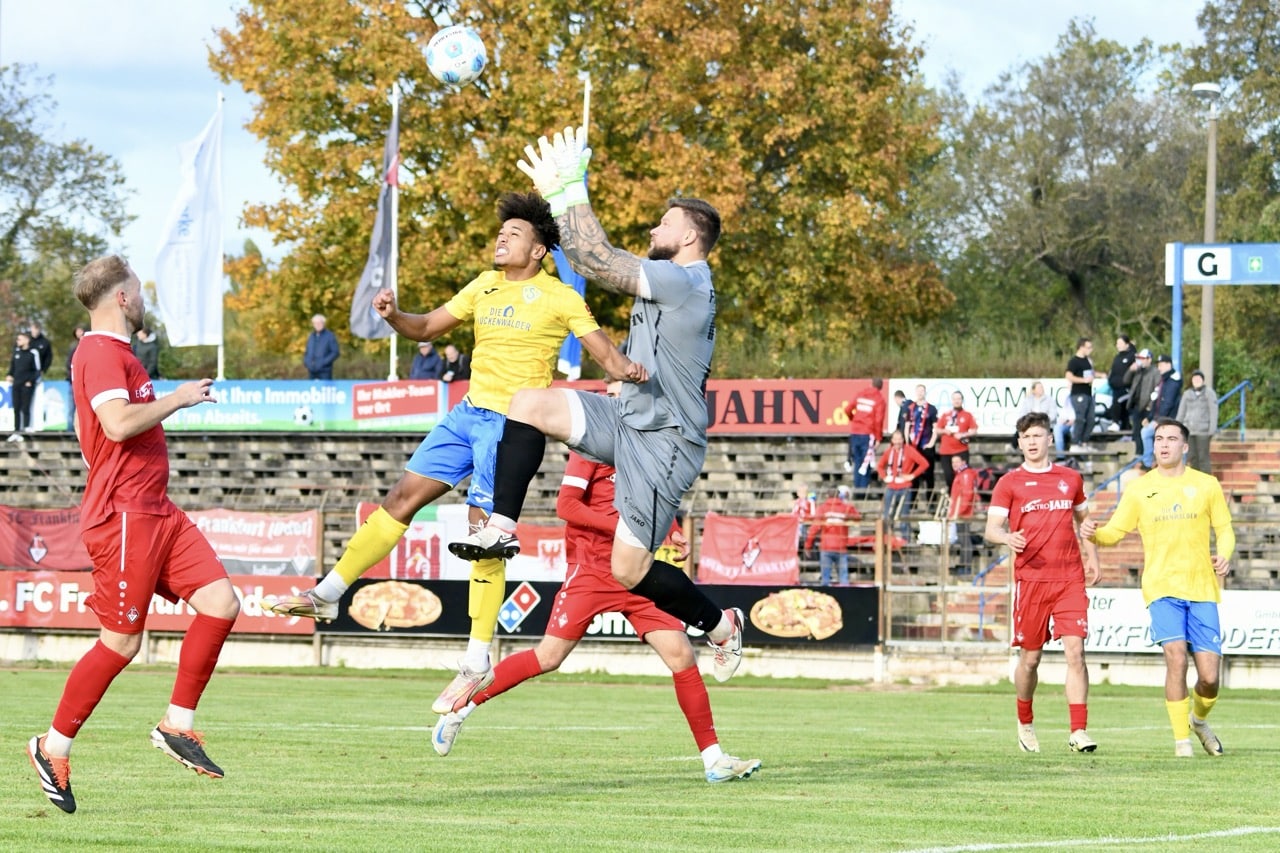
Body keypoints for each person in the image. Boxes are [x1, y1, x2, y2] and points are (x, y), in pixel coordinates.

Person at [266, 192, 643, 714]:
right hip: (466, 414)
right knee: (400, 498)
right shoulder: (483, 285)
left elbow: (604, 353)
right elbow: (425, 327)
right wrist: (395, 315)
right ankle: (329, 593)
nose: (502, 238)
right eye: (501, 232)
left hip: (511, 428)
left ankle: (476, 656)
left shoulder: (560, 297)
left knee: (482, 535)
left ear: (538, 251)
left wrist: (634, 373)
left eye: (514, 234)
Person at [451, 127, 746, 690]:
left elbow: (594, 258)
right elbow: (591, 256)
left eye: (665, 222)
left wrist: (568, 192)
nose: (654, 228)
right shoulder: (670, 278)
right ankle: (501, 528)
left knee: (628, 570)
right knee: (529, 402)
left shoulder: (686, 281)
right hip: (628, 420)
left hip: (666, 441)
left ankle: (720, 624)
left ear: (689, 237)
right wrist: (563, 197)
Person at [26, 254, 240, 814]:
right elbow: (116, 424)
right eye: (139, 291)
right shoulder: (97, 351)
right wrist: (178, 398)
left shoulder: (115, 355)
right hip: (124, 515)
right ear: (121, 297)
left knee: (221, 602)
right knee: (121, 642)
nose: (144, 300)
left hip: (155, 509)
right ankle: (52, 747)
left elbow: (90, 427)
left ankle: (177, 725)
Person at [431, 438, 761, 784]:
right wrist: (621, 530)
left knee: (681, 655)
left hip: (636, 571)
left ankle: (714, 760)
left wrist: (673, 530)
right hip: (590, 570)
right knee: (549, 657)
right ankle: (460, 710)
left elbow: (649, 499)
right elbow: (567, 506)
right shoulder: (591, 448)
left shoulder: (643, 448)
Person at [1082, 418, 1234, 758]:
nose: (1163, 444)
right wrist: (1093, 532)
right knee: (1176, 658)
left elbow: (1225, 529)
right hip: (1161, 587)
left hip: (1202, 589)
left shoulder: (1206, 485)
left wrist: (1223, 555)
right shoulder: (1139, 488)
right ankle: (1182, 743)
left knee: (1209, 679)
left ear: (1184, 447)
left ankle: (1199, 720)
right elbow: (1114, 533)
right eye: (1158, 438)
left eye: (1171, 439)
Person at [985, 411, 1100, 754]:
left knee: (1075, 653)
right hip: (1032, 580)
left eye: (1038, 435)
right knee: (1030, 660)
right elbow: (991, 529)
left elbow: (1085, 521)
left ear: (1050, 438)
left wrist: (1093, 557)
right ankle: (1025, 720)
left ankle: (1078, 731)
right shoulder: (1009, 483)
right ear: (1019, 443)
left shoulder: (1070, 478)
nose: (1032, 442)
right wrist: (1007, 538)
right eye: (1026, 437)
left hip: (1069, 579)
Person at [805, 484, 860, 585]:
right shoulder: (846, 508)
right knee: (843, 578)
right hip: (841, 547)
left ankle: (826, 599)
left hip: (826, 547)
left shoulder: (822, 508)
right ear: (839, 495)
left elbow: (814, 528)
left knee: (825, 579)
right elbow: (857, 517)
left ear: (827, 496)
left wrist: (808, 545)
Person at [877, 429, 926, 539]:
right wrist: (885, 477)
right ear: (892, 440)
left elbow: (924, 463)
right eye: (895, 439)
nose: (898, 442)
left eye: (900, 439)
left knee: (904, 516)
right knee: (887, 515)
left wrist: (912, 475)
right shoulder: (889, 451)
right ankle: (887, 540)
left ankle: (906, 541)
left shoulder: (909, 450)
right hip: (891, 487)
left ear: (903, 440)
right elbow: (880, 466)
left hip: (905, 487)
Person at [842, 378, 886, 488]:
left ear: (871, 384)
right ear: (881, 387)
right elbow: (878, 420)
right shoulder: (879, 400)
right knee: (866, 461)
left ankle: (857, 488)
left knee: (857, 461)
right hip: (867, 433)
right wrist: (878, 438)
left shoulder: (860, 394)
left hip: (855, 432)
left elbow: (847, 409)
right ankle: (863, 489)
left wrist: (853, 419)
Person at [1139, 355, 1182, 469]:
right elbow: (1156, 401)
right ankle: (1151, 461)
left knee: (1146, 433)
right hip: (1159, 418)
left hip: (1168, 420)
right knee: (1146, 432)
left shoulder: (1172, 381)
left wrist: (1159, 420)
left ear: (1168, 365)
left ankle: (1148, 462)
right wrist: (1149, 417)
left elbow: (1167, 403)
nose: (1159, 368)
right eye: (1158, 365)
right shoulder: (1163, 380)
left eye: (1161, 365)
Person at [1176, 370, 1218, 474]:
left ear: (1203, 380)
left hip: (1203, 431)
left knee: (1203, 457)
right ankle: (1195, 480)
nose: (1197, 381)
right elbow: (1181, 412)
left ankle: (1206, 480)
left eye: (1199, 378)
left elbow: (1213, 412)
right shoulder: (1187, 394)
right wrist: (1176, 428)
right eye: (1194, 379)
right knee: (1192, 457)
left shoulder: (1209, 393)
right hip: (1189, 431)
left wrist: (1212, 430)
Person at [935, 390, 978, 492]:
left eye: (959, 399)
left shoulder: (967, 415)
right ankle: (952, 497)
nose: (957, 401)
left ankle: (962, 497)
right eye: (955, 399)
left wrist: (963, 434)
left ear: (962, 400)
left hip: (961, 450)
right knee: (948, 476)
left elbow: (974, 430)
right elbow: (937, 429)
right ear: (952, 400)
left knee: (962, 475)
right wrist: (945, 431)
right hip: (946, 451)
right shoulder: (946, 415)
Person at [902, 384, 938, 495]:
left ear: (925, 392)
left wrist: (931, 443)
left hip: (926, 445)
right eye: (918, 391)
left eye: (922, 391)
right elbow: (907, 426)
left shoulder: (931, 409)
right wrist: (907, 443)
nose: (920, 393)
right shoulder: (911, 408)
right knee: (913, 473)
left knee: (929, 474)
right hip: (914, 446)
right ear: (915, 392)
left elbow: (935, 427)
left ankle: (930, 500)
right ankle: (913, 501)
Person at [7, 331, 40, 440]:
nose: (18, 341)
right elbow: (12, 367)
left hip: (27, 385)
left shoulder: (33, 353)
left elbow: (37, 370)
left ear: (27, 340)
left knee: (25, 407)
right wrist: (9, 375)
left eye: (20, 339)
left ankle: (26, 428)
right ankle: (16, 431)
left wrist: (30, 381)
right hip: (16, 384)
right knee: (16, 408)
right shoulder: (16, 352)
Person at [948, 455, 979, 571]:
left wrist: (959, 513)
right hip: (959, 512)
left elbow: (967, 495)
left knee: (965, 540)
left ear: (963, 462)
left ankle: (965, 567)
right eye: (952, 462)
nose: (954, 464)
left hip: (963, 514)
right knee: (962, 540)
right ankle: (963, 565)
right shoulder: (961, 474)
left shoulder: (966, 474)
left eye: (957, 462)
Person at [1064, 336, 1096, 450]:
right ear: (1081, 347)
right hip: (1078, 393)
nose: (1090, 350)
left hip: (1088, 393)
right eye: (1088, 347)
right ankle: (1075, 443)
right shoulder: (1074, 361)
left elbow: (1091, 373)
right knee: (1080, 418)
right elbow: (1068, 376)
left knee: (1091, 418)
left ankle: (1084, 442)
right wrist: (1083, 380)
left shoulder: (1088, 361)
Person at [1127, 348, 1159, 452]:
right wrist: (1130, 370)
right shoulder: (1138, 371)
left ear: (1149, 359)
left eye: (1143, 358)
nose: (1141, 361)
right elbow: (1125, 381)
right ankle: (1138, 456)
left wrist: (1151, 405)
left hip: (1147, 407)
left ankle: (1148, 457)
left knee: (1146, 433)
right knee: (1136, 432)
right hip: (1136, 405)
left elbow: (1157, 389)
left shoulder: (1155, 372)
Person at [1107, 335, 1137, 430]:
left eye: (1120, 343)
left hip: (1127, 389)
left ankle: (1115, 422)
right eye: (1117, 343)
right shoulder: (1117, 357)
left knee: (1118, 401)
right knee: (1123, 411)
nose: (1118, 345)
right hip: (1115, 388)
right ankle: (1125, 427)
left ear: (1127, 344)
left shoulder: (1132, 356)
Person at [65, 324, 88, 432]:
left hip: (85, 382)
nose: (79, 334)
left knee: (84, 408)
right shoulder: (73, 347)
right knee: (71, 407)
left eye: (81, 332)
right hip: (73, 381)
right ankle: (70, 430)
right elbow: (68, 363)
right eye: (77, 332)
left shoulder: (89, 345)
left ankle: (84, 430)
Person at [303, 314, 339, 380]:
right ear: (313, 324)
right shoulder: (311, 336)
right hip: (312, 371)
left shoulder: (330, 336)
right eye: (315, 323)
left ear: (323, 323)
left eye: (320, 323)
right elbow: (307, 352)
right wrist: (307, 363)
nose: (318, 325)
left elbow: (335, 352)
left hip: (325, 372)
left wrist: (323, 362)